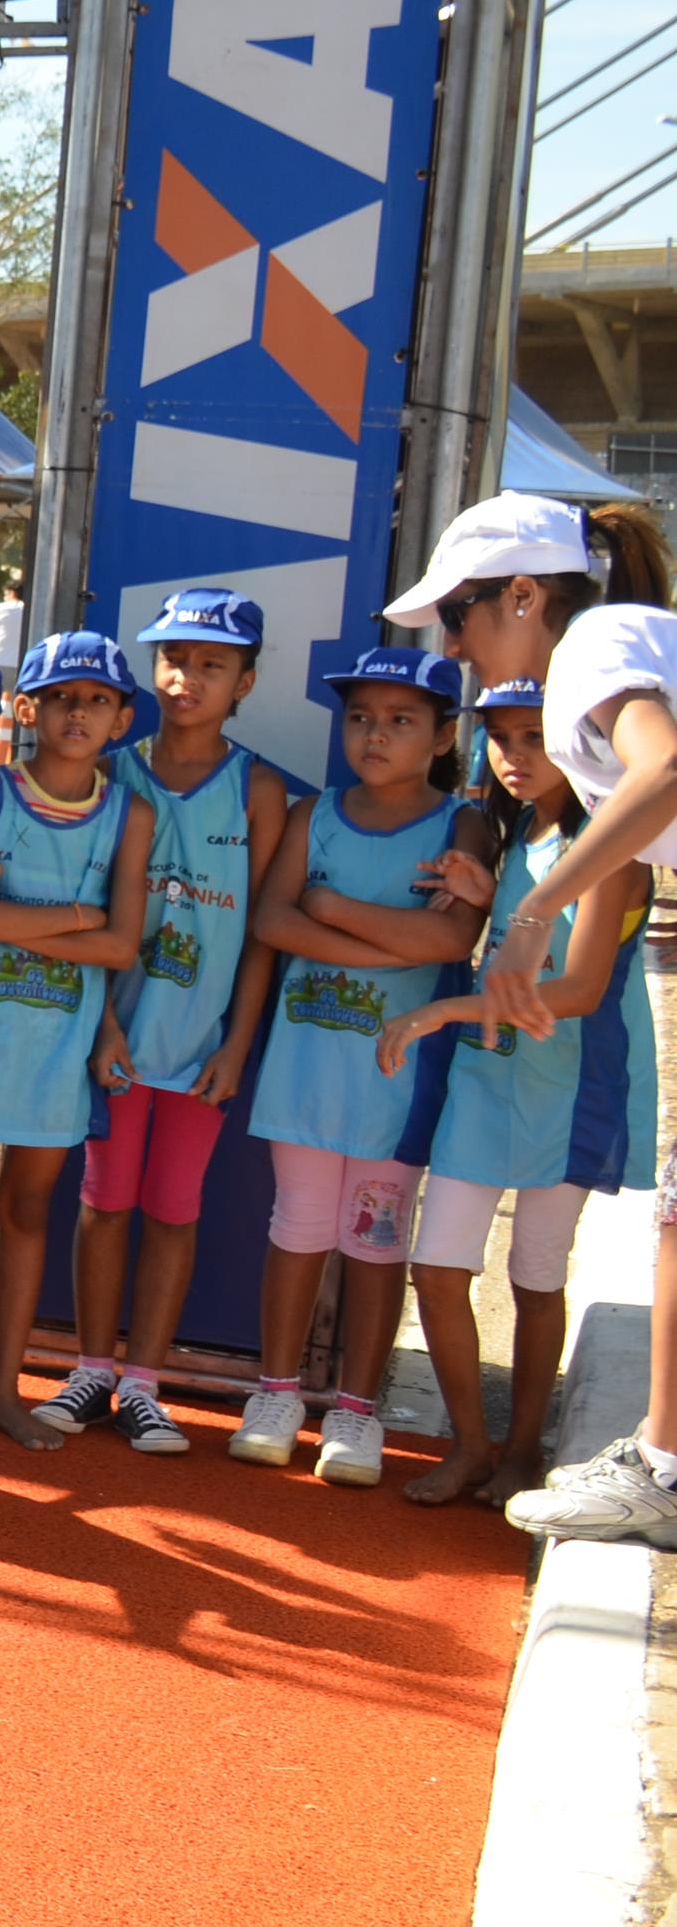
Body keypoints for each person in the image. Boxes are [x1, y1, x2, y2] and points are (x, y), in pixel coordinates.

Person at [383, 496, 677, 1544]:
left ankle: (661, 1469)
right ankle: (660, 1465)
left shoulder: (596, 640)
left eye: (459, 615)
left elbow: (666, 769)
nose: (453, 644)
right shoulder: (591, 676)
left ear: (523, 595)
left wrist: (536, 912)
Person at [41, 590, 294, 1454]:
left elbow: (263, 929)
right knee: (104, 1200)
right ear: (151, 669)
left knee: (175, 1209)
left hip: (202, 1050)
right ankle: (90, 1367)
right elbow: (85, 904)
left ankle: (144, 1379)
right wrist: (102, 1024)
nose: (188, 678)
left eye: (212, 665)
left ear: (246, 681)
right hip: (111, 1035)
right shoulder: (116, 773)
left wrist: (238, 1041)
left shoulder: (261, 791)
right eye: (175, 660)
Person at [233, 646, 488, 1486]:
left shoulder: (464, 823)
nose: (375, 734)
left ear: (445, 733)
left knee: (375, 1241)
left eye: (402, 720)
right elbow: (273, 921)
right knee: (298, 1225)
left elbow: (449, 940)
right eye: (361, 717)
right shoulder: (316, 814)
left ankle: (356, 1409)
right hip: (307, 1063)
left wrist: (334, 906)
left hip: (399, 1075)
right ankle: (275, 1393)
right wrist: (389, 937)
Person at [0, 631, 157, 1450]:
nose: (77, 711)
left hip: (61, 1044)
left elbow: (125, 947)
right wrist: (81, 916)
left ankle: (6, 1390)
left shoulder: (131, 812)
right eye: (61, 696)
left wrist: (28, 922)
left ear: (121, 720)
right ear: (27, 709)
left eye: (95, 699)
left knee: (27, 1208)